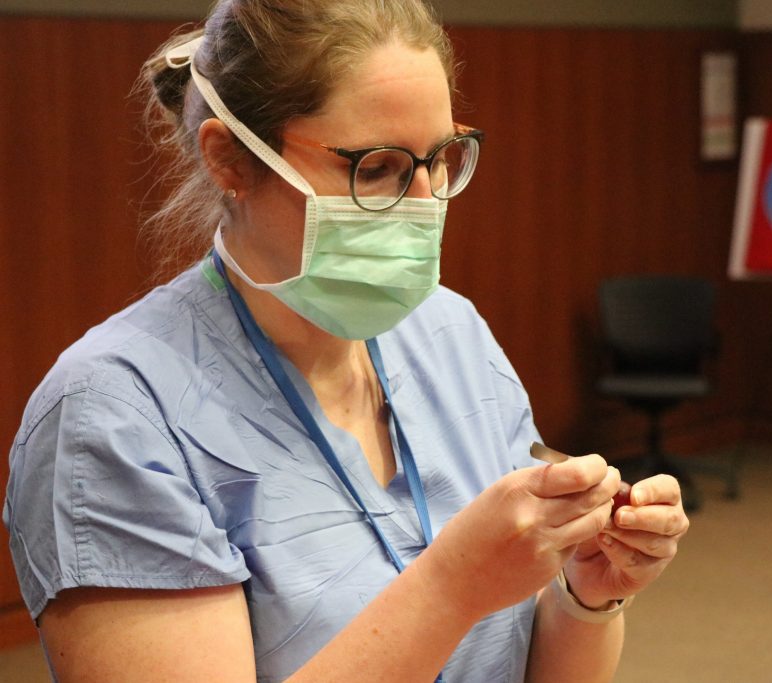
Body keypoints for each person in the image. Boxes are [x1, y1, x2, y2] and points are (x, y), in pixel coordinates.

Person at [3, 1, 689, 681]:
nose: (424, 205)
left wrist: (586, 592)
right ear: (230, 160)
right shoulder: (113, 415)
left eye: (439, 159)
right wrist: (452, 587)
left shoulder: (451, 336)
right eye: (377, 168)